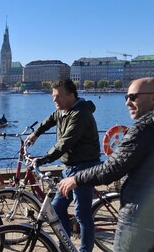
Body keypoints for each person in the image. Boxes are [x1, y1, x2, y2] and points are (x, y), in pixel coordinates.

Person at [58, 77, 154, 252]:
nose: (127, 103)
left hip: (138, 218)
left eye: (133, 97)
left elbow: (112, 168)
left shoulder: (142, 130)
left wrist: (76, 179)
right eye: (126, 97)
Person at [26, 79, 100, 252]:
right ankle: (65, 247)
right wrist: (36, 133)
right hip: (70, 168)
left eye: (58, 96)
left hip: (85, 167)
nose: (54, 100)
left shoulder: (80, 114)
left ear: (71, 95)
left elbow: (66, 142)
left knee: (82, 214)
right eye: (53, 96)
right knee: (57, 208)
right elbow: (51, 118)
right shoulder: (63, 111)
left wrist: (44, 159)